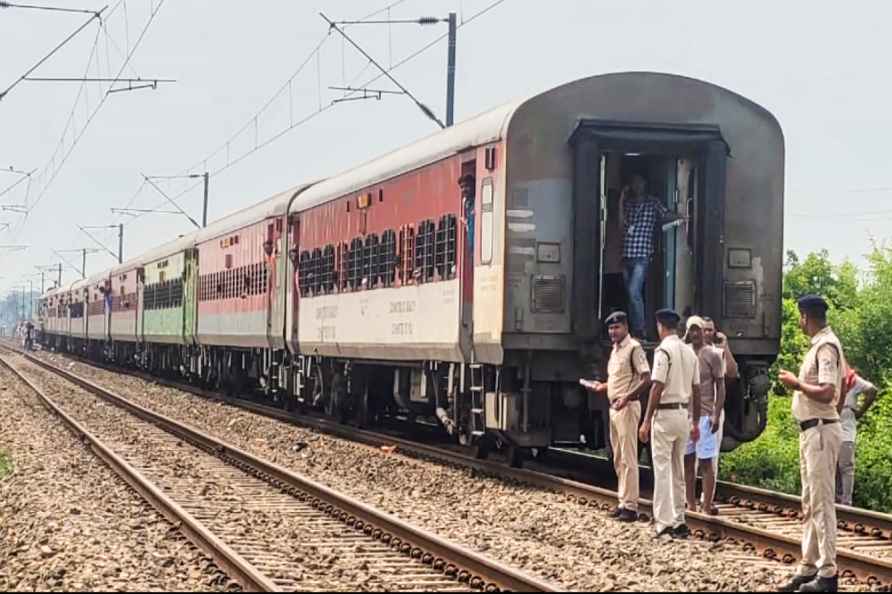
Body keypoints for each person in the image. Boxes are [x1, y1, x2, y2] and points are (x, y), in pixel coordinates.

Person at [778, 295, 847, 593]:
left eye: (800, 317)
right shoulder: (820, 345)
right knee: (809, 502)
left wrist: (796, 384)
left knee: (821, 503)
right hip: (812, 431)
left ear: (806, 316)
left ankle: (828, 573)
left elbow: (827, 391)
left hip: (820, 431)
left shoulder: (826, 347)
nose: (799, 322)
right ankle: (809, 565)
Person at [580, 311, 651, 522]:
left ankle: (631, 506)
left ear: (626, 327)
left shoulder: (634, 348)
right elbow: (618, 379)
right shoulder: (615, 350)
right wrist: (601, 386)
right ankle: (623, 501)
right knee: (618, 458)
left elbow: (646, 378)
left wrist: (627, 398)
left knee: (629, 457)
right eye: (610, 328)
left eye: (616, 327)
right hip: (614, 407)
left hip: (627, 408)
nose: (613, 332)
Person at [639, 308, 701, 539]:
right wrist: (694, 421)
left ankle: (663, 522)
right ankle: (679, 520)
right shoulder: (690, 352)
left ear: (660, 326)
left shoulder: (663, 350)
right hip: (683, 414)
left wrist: (646, 420)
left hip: (665, 416)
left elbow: (657, 386)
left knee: (662, 469)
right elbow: (696, 388)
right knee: (678, 470)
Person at [620, 175, 681, 338]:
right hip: (626, 254)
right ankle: (634, 329)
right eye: (634, 183)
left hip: (642, 255)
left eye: (639, 183)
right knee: (631, 296)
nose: (637, 186)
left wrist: (682, 215)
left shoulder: (652, 202)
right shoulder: (629, 204)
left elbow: (665, 214)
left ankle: (640, 330)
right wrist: (621, 197)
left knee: (634, 292)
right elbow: (621, 221)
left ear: (644, 184)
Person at [683, 316, 725, 515]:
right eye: (691, 330)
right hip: (686, 414)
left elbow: (721, 385)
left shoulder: (713, 355)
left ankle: (707, 504)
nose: (695, 333)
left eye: (698, 329)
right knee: (688, 460)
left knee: (706, 462)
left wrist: (717, 414)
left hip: (706, 414)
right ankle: (690, 504)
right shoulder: (685, 354)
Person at [836, 369, 879, 506]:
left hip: (846, 425)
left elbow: (872, 390)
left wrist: (860, 411)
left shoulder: (851, 379)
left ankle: (846, 501)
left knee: (846, 464)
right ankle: (833, 498)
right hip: (828, 422)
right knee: (831, 465)